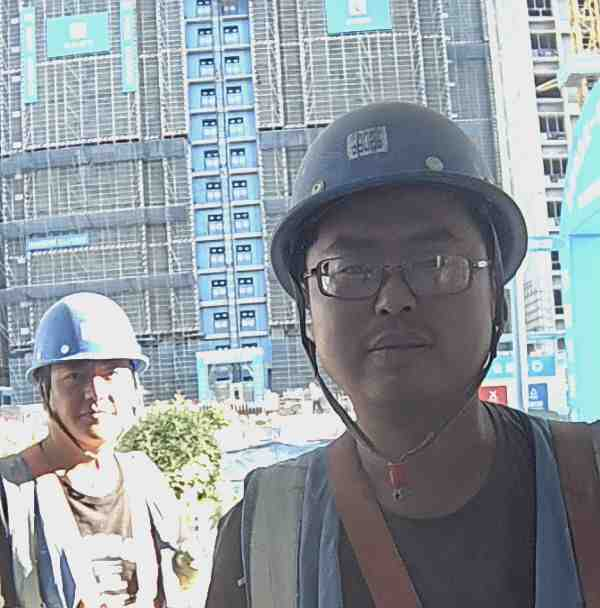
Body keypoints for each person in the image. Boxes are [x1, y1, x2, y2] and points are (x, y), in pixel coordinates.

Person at [206, 102, 600, 607]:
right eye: (349, 268)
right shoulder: (261, 539)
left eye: (435, 262)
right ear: (308, 311)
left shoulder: (590, 477)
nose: (394, 300)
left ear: (495, 294)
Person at [0, 292, 200, 608]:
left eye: (110, 373)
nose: (95, 392)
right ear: (46, 391)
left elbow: (186, 583)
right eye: (74, 376)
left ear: (133, 386)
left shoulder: (146, 482)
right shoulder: (11, 494)